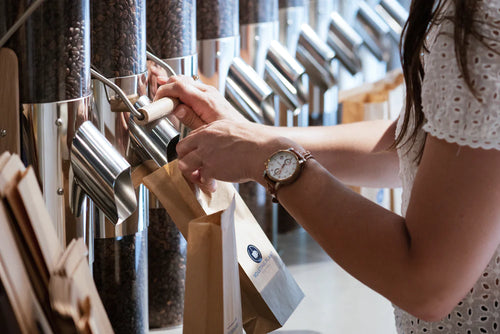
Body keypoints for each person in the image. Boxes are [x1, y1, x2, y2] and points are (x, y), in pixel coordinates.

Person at [154, 0, 500, 332]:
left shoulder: (482, 21)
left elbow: (427, 284)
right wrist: (253, 136)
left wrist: (267, 158)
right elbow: (420, 146)